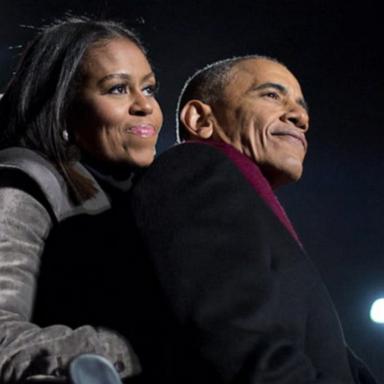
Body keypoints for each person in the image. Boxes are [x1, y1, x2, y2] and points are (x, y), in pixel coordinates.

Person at [128, 56, 377, 383]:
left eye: (302, 107)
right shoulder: (194, 168)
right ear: (201, 119)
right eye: (272, 95)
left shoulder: (260, 217)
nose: (300, 117)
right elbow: (240, 338)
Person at [0, 17, 162, 383]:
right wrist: (128, 350)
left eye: (149, 88)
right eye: (118, 89)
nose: (144, 106)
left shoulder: (131, 195)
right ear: (62, 107)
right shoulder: (21, 185)